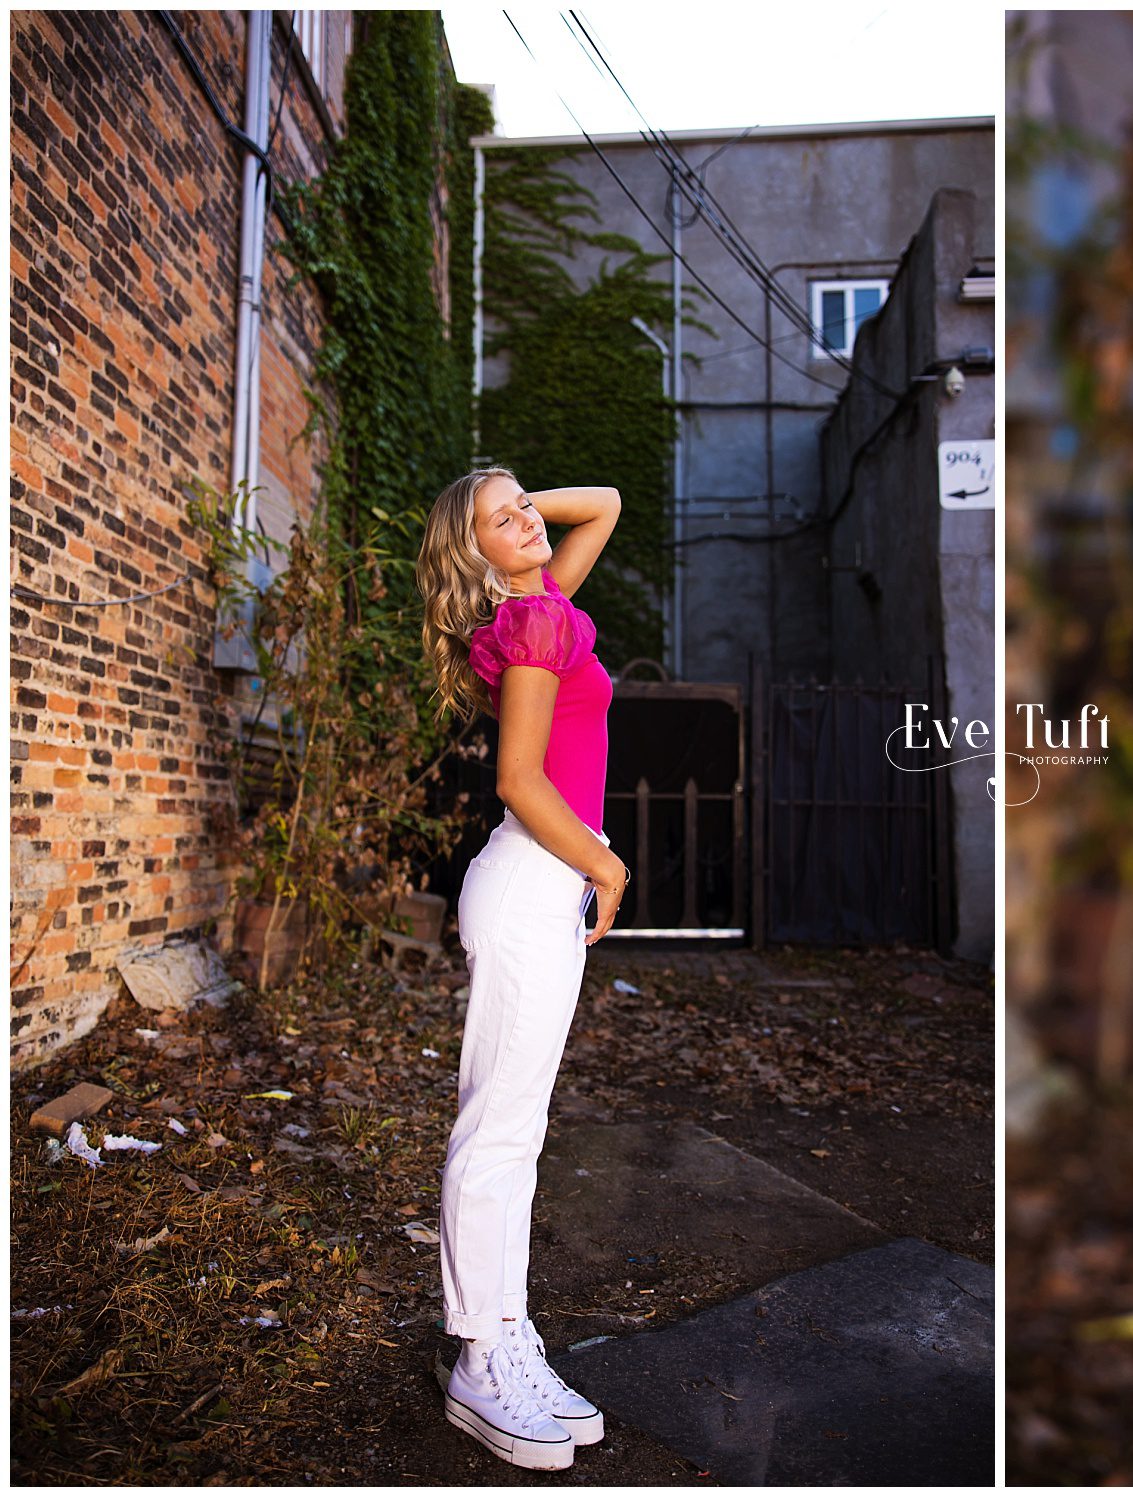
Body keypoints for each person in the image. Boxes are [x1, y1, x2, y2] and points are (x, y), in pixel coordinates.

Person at [416, 468, 630, 1470]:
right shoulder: (534, 627)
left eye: (525, 510)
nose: (528, 523)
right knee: (496, 1131)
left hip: (543, 888)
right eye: (500, 523)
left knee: (517, 1129)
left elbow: (609, 503)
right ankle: (476, 1358)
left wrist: (503, 505)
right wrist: (604, 862)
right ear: (478, 556)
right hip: (535, 879)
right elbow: (517, 779)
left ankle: (508, 1332)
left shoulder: (541, 607)